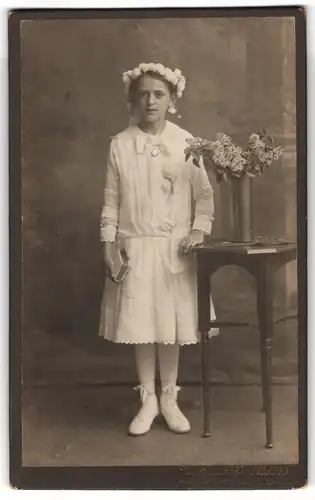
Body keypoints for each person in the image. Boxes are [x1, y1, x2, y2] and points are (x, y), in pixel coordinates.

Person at [98, 62, 218, 436]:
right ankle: (147, 397)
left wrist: (198, 230)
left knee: (170, 326)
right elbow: (111, 201)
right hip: (136, 248)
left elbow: (204, 196)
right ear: (133, 99)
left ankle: (169, 396)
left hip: (174, 251)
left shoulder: (186, 143)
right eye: (144, 94)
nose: (150, 101)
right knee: (142, 325)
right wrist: (108, 241)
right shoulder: (120, 145)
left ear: (172, 100)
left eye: (159, 95)